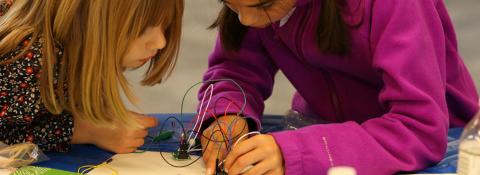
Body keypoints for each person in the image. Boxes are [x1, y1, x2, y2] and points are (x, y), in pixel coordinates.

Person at [198, 0, 480, 174]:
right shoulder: (252, 9)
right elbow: (235, 70)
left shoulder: (396, 4)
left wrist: (295, 153)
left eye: (263, 6)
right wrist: (226, 114)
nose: (247, 21)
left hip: (436, 149)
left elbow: (419, 129)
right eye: (231, 5)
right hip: (327, 135)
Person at [0, 0, 184, 154]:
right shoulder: (30, 57)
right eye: (142, 28)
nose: (161, 42)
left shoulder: (74, 48)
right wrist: (86, 130)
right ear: (90, 21)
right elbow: (5, 134)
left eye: (165, 25)